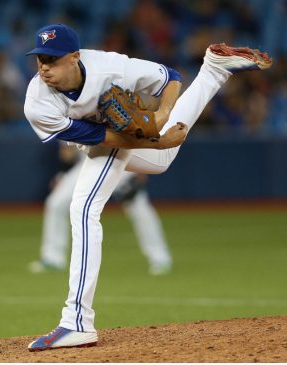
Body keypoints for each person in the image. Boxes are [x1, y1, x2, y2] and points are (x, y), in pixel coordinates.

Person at [23, 23, 272, 351]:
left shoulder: (110, 67)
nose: (44, 66)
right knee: (163, 159)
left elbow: (169, 77)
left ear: (74, 57)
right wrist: (158, 140)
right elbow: (103, 138)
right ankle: (214, 70)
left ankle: (77, 322)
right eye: (40, 58)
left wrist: (161, 117)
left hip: (116, 133)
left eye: (52, 59)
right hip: (102, 137)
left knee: (83, 209)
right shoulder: (37, 102)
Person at [29, 143, 172, 276]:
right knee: (56, 203)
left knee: (138, 207)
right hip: (88, 164)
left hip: (121, 159)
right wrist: (62, 174)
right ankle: (53, 258)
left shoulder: (108, 114)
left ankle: (160, 258)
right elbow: (67, 153)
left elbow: (134, 132)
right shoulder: (67, 116)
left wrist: (140, 167)